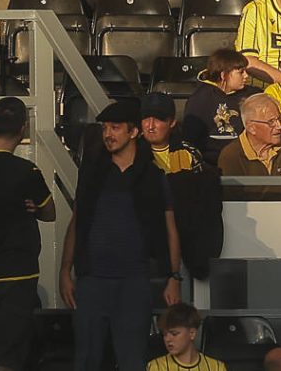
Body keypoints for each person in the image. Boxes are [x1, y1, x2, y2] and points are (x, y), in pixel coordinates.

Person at [63, 97, 182, 371]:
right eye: (105, 128)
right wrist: (65, 271)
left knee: (133, 360)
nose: (108, 134)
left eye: (115, 128)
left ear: (133, 132)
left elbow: (170, 228)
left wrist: (174, 276)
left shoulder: (153, 176)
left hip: (134, 282)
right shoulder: (92, 173)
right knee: (86, 359)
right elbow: (77, 222)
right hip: (92, 280)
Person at [0, 95, 57, 371]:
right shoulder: (25, 170)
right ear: (22, 129)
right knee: (8, 355)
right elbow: (50, 212)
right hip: (17, 274)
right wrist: (34, 207)